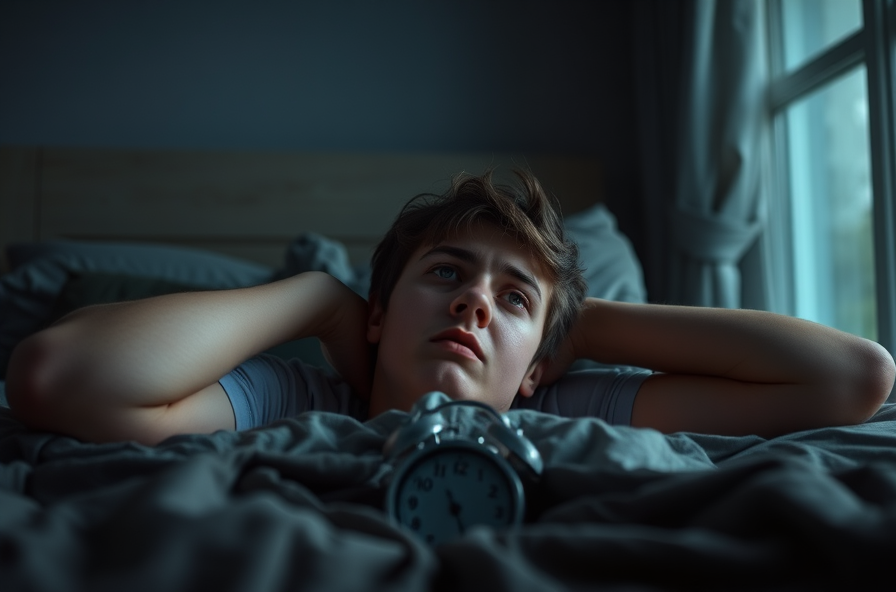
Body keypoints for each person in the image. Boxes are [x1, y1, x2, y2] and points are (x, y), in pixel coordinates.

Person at [6, 171, 895, 445]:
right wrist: (320, 300)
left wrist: (573, 326)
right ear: (379, 315)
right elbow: (56, 374)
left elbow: (855, 377)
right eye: (446, 273)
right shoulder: (298, 399)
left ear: (540, 366)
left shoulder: (565, 407)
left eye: (511, 298)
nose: (474, 300)